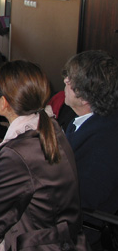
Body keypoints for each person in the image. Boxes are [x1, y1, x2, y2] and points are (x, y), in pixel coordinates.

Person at [0, 60, 87, 250]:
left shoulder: (18, 153)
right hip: (57, 238)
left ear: (4, 102)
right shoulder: (50, 126)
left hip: (31, 242)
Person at [62, 50, 118, 249]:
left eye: (70, 79)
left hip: (81, 230)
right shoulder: (86, 121)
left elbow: (84, 197)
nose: (65, 81)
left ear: (84, 97)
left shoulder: (105, 139)